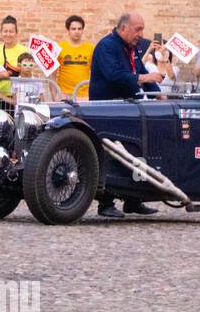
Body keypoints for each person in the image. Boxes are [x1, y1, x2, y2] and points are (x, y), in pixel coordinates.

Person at [88, 11, 165, 218]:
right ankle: (105, 203)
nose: (141, 33)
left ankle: (134, 199)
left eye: (142, 29)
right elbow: (114, 75)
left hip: (130, 109)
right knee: (110, 154)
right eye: (137, 29)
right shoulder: (107, 46)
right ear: (123, 28)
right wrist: (144, 76)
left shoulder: (131, 48)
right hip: (108, 110)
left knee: (137, 152)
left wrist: (159, 95)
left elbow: (140, 72)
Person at [55, 15, 94, 100]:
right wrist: (55, 94)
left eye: (79, 29)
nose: (77, 31)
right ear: (68, 30)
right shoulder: (59, 47)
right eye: (73, 29)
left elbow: (95, 72)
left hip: (84, 95)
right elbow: (53, 73)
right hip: (64, 94)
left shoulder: (90, 48)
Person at [0, 15, 24, 109]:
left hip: (17, 97)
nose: (8, 34)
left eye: (11, 31)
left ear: (16, 33)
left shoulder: (24, 51)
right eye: (5, 31)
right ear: (1, 33)